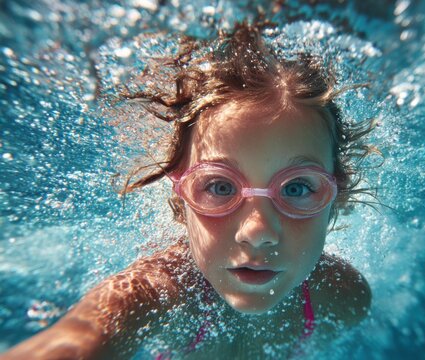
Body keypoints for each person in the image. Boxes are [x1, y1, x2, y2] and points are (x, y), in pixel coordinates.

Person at [1, 21, 374, 359]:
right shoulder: (156, 293)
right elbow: (78, 341)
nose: (258, 232)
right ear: (182, 191)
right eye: (219, 186)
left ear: (335, 194)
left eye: (296, 188)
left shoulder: (344, 298)